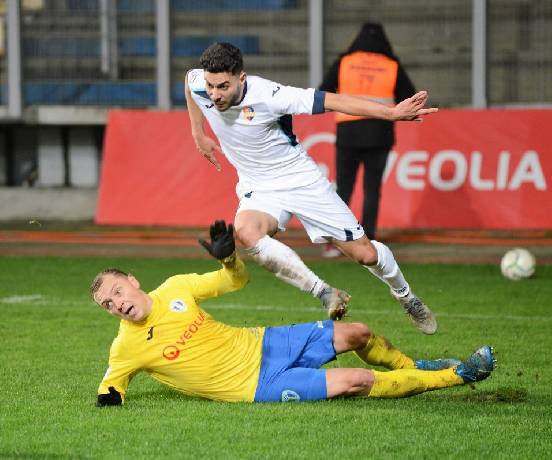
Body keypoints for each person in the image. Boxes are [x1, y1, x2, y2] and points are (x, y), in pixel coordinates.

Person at [92, 221, 495, 406]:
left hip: (265, 341)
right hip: (257, 385)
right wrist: (110, 400)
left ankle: (414, 366)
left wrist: (230, 258)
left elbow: (235, 283)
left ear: (132, 280)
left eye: (116, 291)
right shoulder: (125, 348)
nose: (117, 303)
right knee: (355, 380)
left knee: (358, 333)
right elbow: (111, 387)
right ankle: (456, 376)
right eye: (108, 304)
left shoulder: (175, 288)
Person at [184, 42, 438, 334]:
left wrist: (390, 113)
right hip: (259, 186)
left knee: (365, 255)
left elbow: (333, 101)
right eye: (211, 85)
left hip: (301, 181)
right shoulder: (198, 81)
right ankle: (324, 292)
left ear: (241, 78)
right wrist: (197, 132)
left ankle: (406, 296)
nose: (214, 94)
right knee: (245, 231)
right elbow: (189, 84)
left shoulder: (270, 96)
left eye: (223, 86)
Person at [319, 22, 416, 258]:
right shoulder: (391, 65)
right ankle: (368, 241)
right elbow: (409, 96)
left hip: (348, 134)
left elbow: (323, 91)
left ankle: (337, 242)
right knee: (372, 190)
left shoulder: (344, 62)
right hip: (379, 134)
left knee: (344, 189)